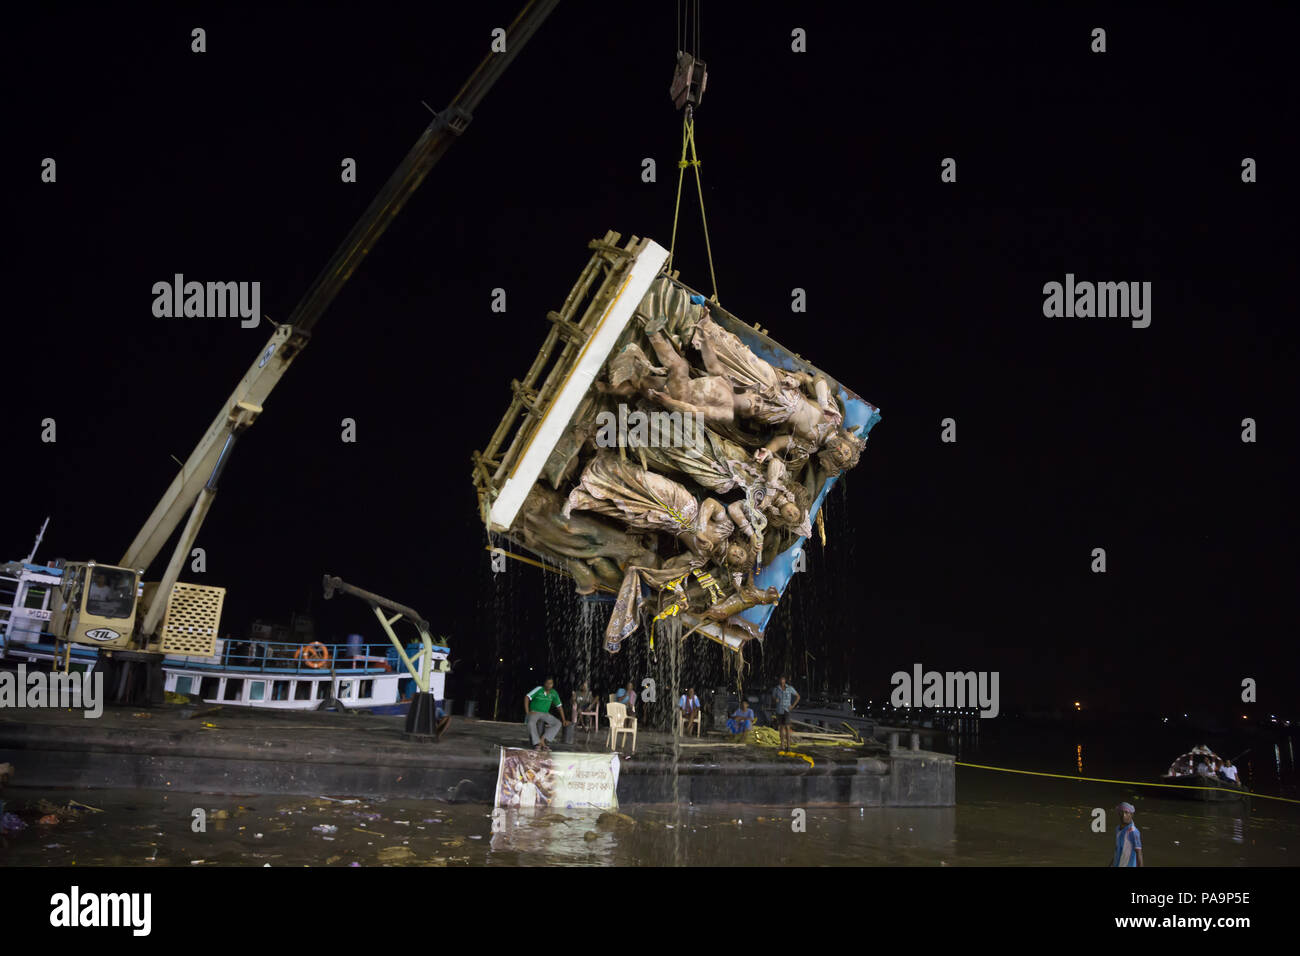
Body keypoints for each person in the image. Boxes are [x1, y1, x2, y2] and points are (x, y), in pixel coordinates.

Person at [524, 677, 567, 751]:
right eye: (547, 683)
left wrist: (564, 720)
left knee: (558, 723)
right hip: (535, 712)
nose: (549, 685)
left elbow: (560, 707)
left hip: (545, 713)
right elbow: (527, 697)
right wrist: (528, 712)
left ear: (552, 684)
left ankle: (543, 740)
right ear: (544, 684)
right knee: (531, 723)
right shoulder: (539, 689)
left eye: (551, 683)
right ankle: (537, 743)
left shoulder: (554, 693)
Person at [771, 675, 801, 750]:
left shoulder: (790, 688)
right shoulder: (776, 689)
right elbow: (773, 697)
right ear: (779, 680)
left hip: (787, 710)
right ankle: (782, 745)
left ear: (785, 680)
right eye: (780, 679)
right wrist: (775, 700)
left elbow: (798, 696)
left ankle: (788, 745)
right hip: (779, 710)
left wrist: (793, 706)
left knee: (787, 727)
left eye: (783, 679)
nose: (782, 681)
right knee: (781, 728)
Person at [1111, 802, 1143, 867]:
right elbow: (1117, 850)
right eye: (1121, 812)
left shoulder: (1133, 832)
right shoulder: (1118, 829)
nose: (1123, 815)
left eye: (1126, 812)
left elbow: (1139, 854)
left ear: (1131, 815)